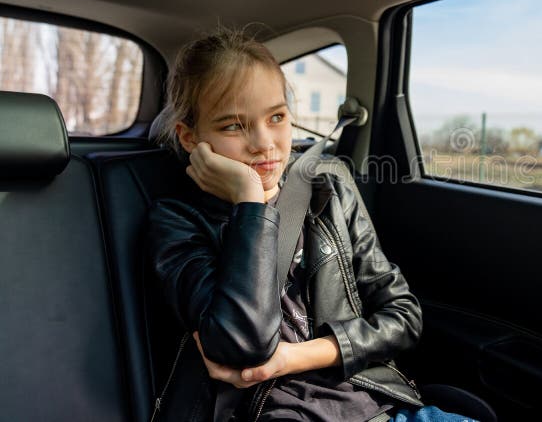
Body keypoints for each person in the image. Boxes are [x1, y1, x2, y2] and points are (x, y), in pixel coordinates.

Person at [147, 27, 475, 421]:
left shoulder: (328, 189)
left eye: (277, 117)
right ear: (189, 137)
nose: (264, 143)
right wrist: (250, 199)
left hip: (377, 408)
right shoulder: (177, 221)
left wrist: (292, 358)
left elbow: (403, 316)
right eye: (233, 125)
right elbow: (243, 346)